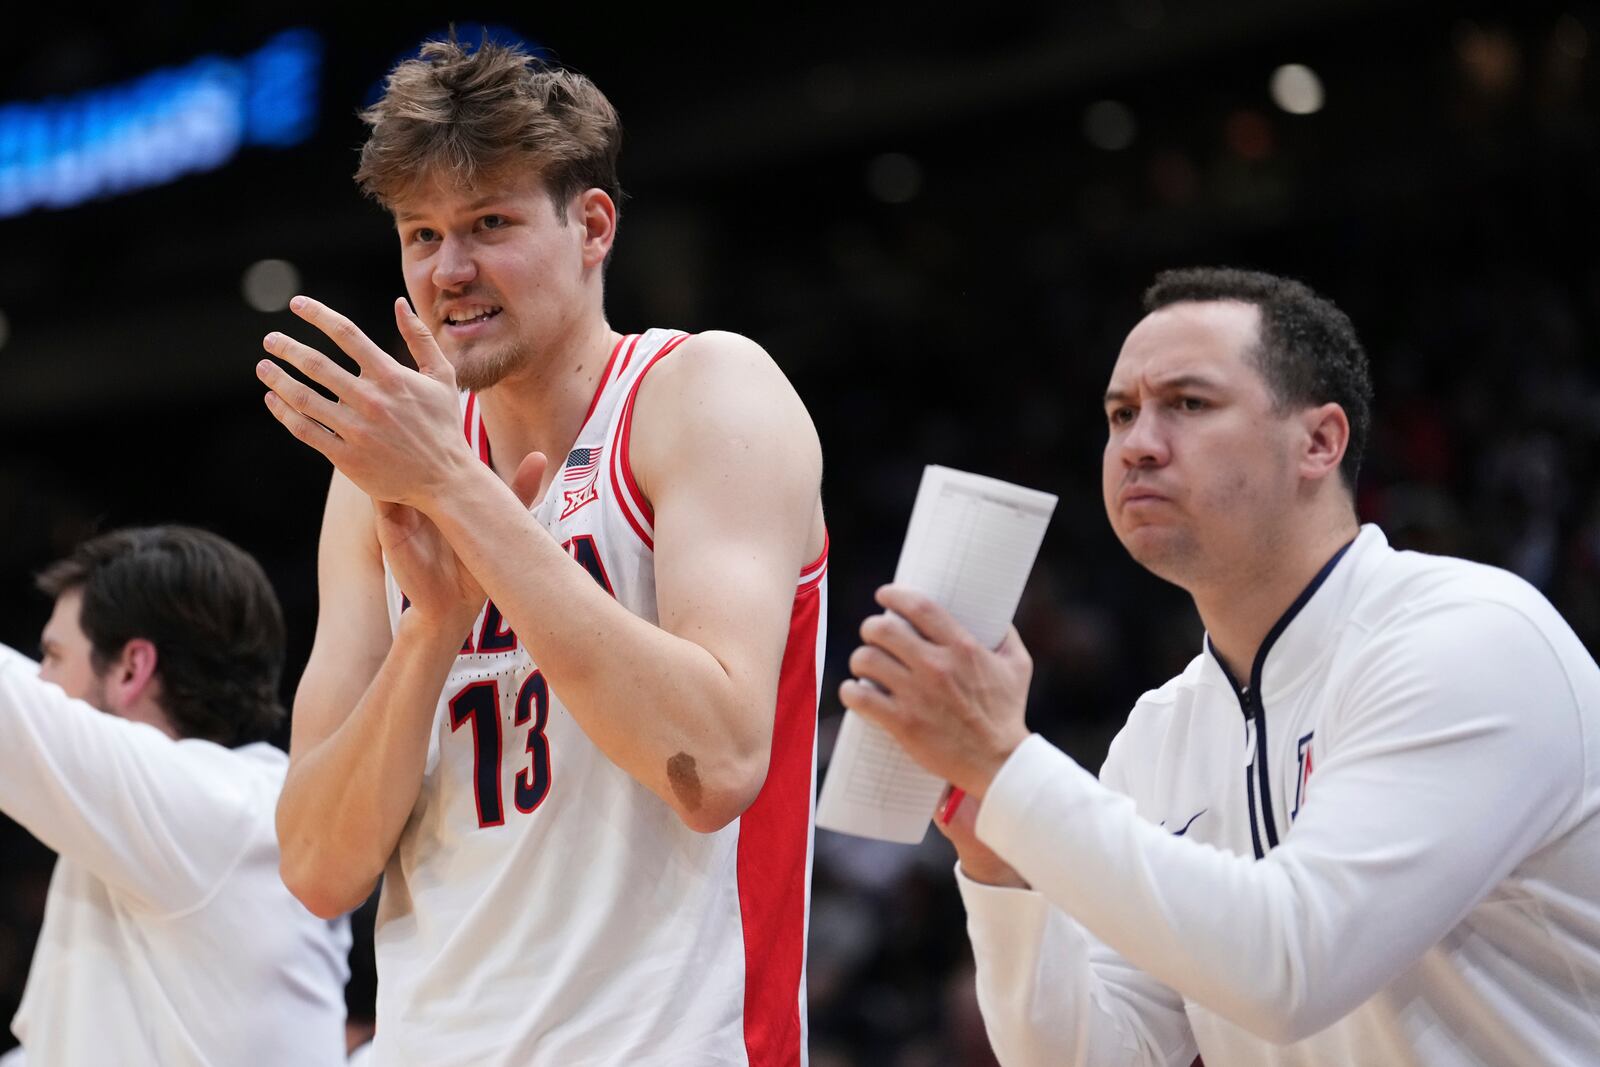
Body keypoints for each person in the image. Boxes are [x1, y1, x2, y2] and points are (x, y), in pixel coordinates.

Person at [841, 267, 1600, 1066]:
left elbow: (1293, 967)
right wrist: (998, 856)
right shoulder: (1160, 731)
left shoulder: (1470, 639)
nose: (1138, 443)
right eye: (1121, 413)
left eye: (1188, 404)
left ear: (1319, 441)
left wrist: (1008, 763)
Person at [256, 36, 828, 1066]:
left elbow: (715, 767)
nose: (450, 269)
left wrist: (463, 498)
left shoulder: (701, 394)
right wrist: (432, 631)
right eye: (420, 233)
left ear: (592, 225)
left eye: (490, 224)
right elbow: (314, 865)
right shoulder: (378, 480)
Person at [0, 526, 351, 1066]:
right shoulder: (164, 827)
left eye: (52, 657)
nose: (40, 680)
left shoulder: (216, 806)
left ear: (131, 668)